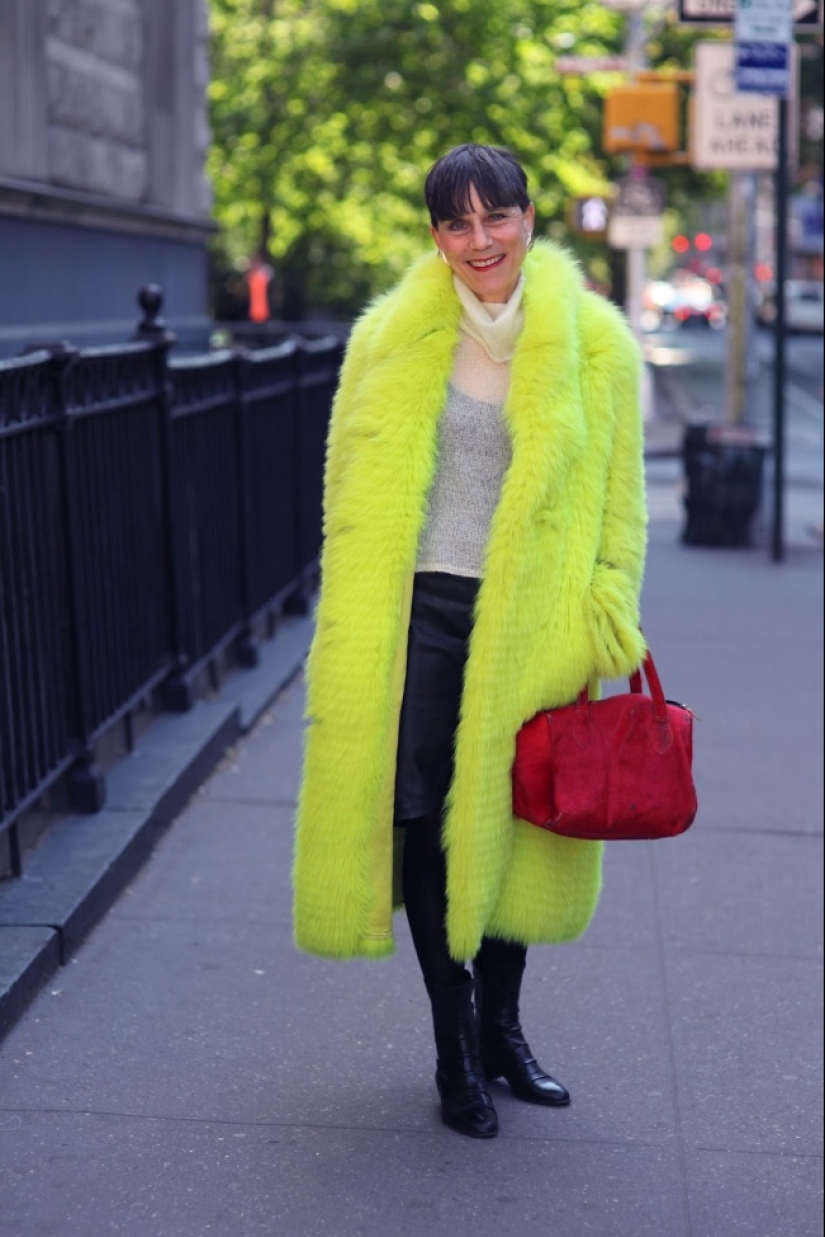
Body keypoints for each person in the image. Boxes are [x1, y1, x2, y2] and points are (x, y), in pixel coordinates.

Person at [293, 144, 648, 1139]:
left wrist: (606, 611)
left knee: (517, 816)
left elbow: (621, 510)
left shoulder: (595, 345)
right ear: (437, 235)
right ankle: (453, 1047)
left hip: (533, 623)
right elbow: (345, 495)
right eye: (457, 222)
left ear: (530, 219)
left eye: (497, 216)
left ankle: (502, 1031)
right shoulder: (389, 338)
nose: (480, 239)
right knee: (422, 817)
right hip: (418, 616)